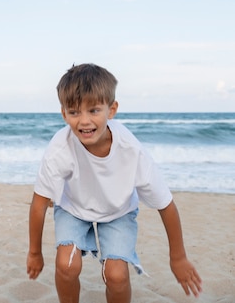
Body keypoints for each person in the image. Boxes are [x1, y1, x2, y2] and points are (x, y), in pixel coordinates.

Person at [26, 63, 202, 303]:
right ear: (64, 113)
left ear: (112, 109)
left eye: (94, 110)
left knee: (116, 275)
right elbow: (39, 203)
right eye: (74, 112)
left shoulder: (131, 150)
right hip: (73, 208)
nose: (84, 121)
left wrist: (178, 257)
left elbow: (166, 205)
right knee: (66, 265)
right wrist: (35, 252)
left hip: (118, 210)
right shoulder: (60, 148)